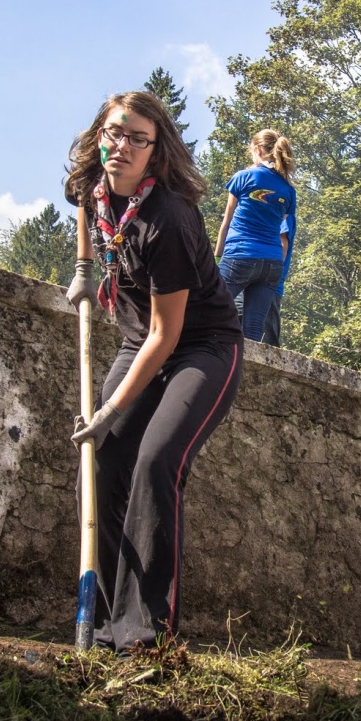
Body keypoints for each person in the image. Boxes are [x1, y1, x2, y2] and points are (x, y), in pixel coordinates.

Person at [62, 90, 244, 652]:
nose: (122, 146)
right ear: (100, 135)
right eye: (114, 132)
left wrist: (112, 409)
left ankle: (146, 634)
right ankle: (109, 622)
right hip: (140, 341)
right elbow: (85, 214)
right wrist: (84, 269)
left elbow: (168, 334)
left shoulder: (169, 217)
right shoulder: (87, 187)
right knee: (101, 466)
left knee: (153, 461)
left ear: (154, 151)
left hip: (201, 349)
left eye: (137, 138)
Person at [214, 129, 297, 342]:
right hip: (272, 264)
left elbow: (227, 221)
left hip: (240, 255)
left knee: (208, 307)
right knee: (252, 330)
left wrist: (217, 257)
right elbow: (281, 223)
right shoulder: (288, 190)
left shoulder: (243, 177)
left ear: (258, 150)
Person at [261, 217, 293, 347]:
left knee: (266, 345)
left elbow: (281, 244)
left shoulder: (282, 209)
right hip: (252, 282)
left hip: (268, 285)